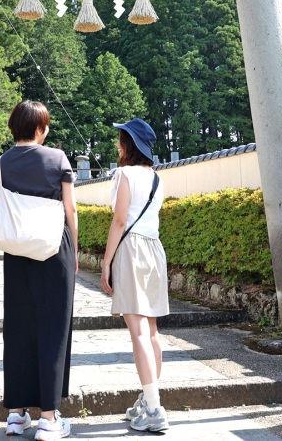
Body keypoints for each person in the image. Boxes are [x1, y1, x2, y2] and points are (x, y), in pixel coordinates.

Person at [0, 100, 78, 440]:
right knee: (53, 329)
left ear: (14, 128)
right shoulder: (57, 158)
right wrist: (76, 249)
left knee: (19, 328)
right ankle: (50, 419)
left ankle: (16, 415)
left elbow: (3, 209)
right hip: (55, 249)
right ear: (40, 128)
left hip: (16, 251)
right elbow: (70, 209)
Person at [100, 118, 170, 433]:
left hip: (130, 250)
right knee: (152, 332)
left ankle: (154, 409)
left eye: (120, 139)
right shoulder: (157, 179)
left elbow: (119, 220)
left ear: (129, 144)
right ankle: (148, 399)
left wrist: (106, 262)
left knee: (138, 332)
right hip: (155, 250)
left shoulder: (124, 174)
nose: (117, 144)